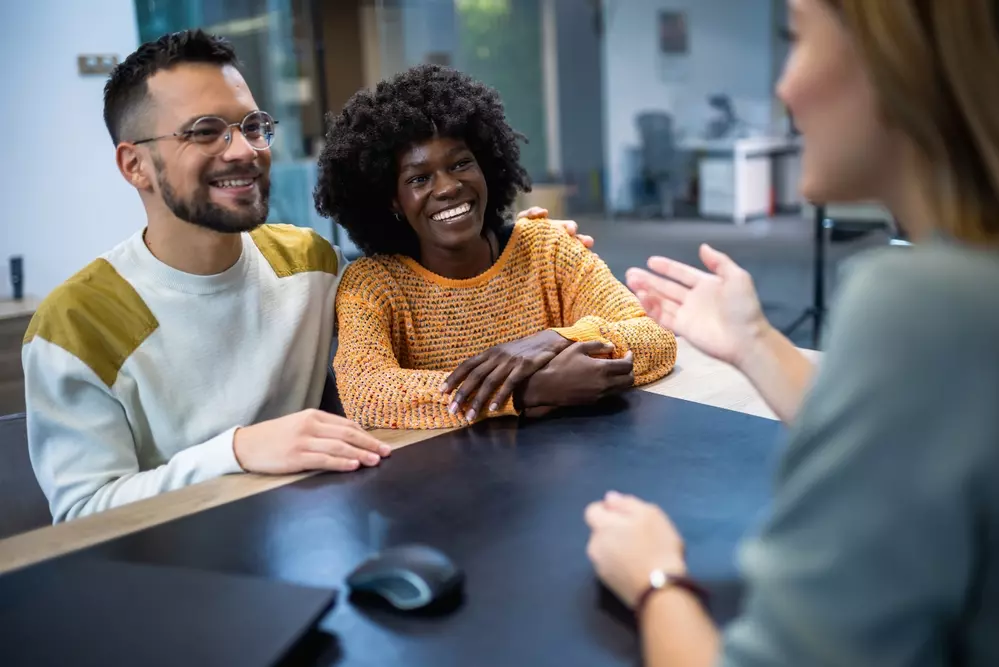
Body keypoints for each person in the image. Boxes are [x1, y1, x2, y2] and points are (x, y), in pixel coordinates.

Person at [22, 30, 587, 523]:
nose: (243, 150)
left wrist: (509, 241)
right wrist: (236, 451)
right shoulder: (74, 324)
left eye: (252, 126)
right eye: (205, 132)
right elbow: (81, 514)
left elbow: (422, 294)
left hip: (315, 543)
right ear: (135, 165)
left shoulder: (310, 263)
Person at [585, 0, 999, 665]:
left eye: (798, 37)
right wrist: (754, 340)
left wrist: (653, 578)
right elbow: (916, 447)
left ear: (894, 59)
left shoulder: (922, 304)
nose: (785, 86)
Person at [316, 65, 677, 429]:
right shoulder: (373, 285)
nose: (448, 187)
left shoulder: (547, 250)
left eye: (461, 164)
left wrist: (554, 340)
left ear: (486, 167)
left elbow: (654, 339)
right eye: (420, 178)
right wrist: (528, 390)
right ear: (393, 200)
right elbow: (367, 392)